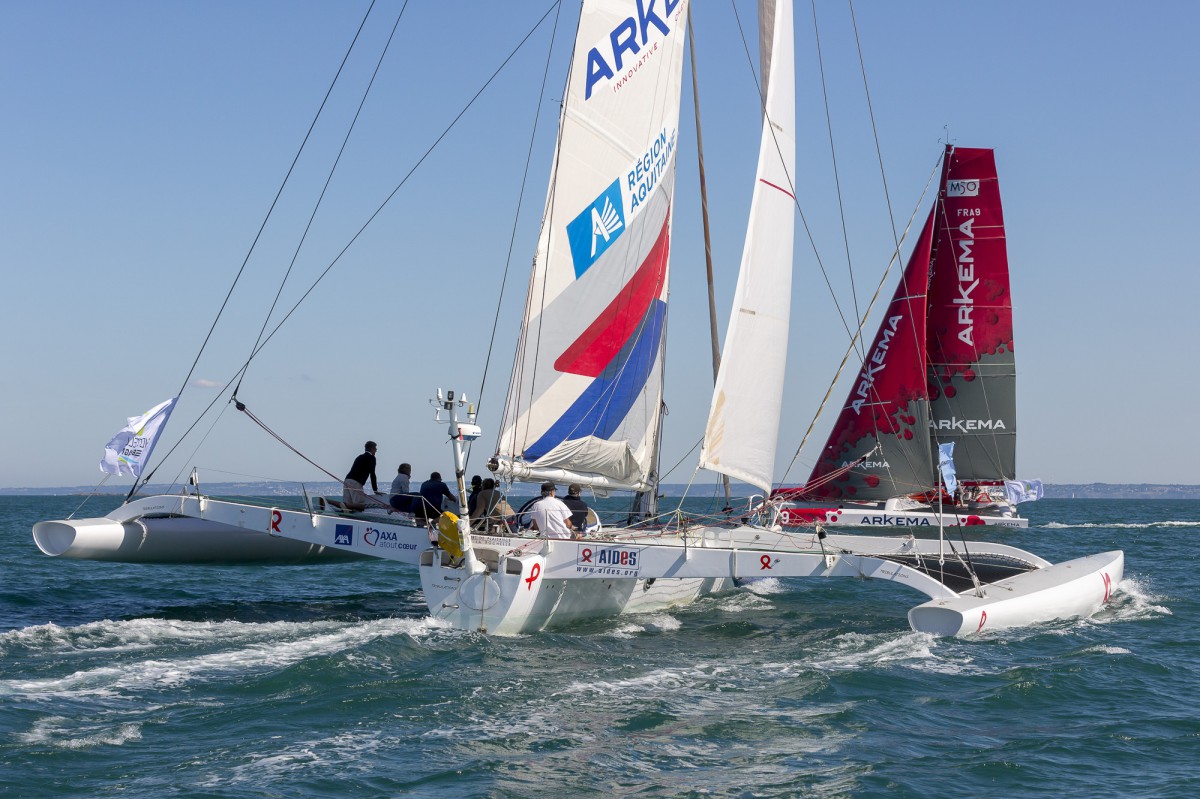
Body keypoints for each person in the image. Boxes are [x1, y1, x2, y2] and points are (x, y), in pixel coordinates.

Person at [342, 441, 379, 511]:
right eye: (375, 449)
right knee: (359, 505)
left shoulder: (359, 457)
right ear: (372, 448)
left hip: (347, 480)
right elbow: (372, 474)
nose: (376, 450)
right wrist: (375, 490)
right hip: (356, 482)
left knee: (347, 504)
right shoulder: (371, 458)